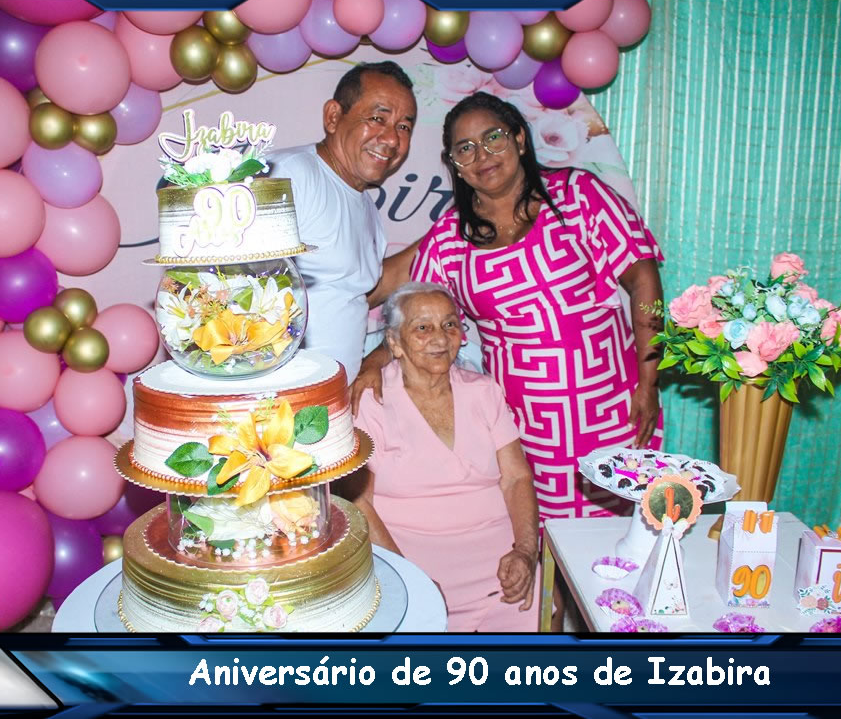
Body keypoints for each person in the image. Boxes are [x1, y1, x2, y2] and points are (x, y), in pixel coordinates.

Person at [351, 91, 665, 523]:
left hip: (615, 406)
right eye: (465, 148)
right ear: (454, 163)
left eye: (493, 137)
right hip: (525, 423)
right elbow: (413, 320)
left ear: (518, 138)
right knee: (547, 539)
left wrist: (649, 381)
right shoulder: (450, 238)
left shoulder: (577, 195)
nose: (482, 155)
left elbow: (643, 277)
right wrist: (372, 363)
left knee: (628, 533)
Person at [349, 282, 540, 632]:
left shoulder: (484, 391)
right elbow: (358, 502)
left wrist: (527, 551)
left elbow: (517, 478)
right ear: (394, 342)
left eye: (449, 324)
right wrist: (408, 579)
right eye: (422, 328)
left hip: (501, 559)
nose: (439, 337)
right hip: (411, 558)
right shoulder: (371, 402)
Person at [264, 61, 417, 383]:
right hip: (275, 399)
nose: (392, 139)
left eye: (404, 127)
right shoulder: (288, 175)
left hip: (331, 400)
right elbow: (230, 292)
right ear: (333, 117)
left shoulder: (368, 209)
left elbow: (352, 296)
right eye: (378, 118)